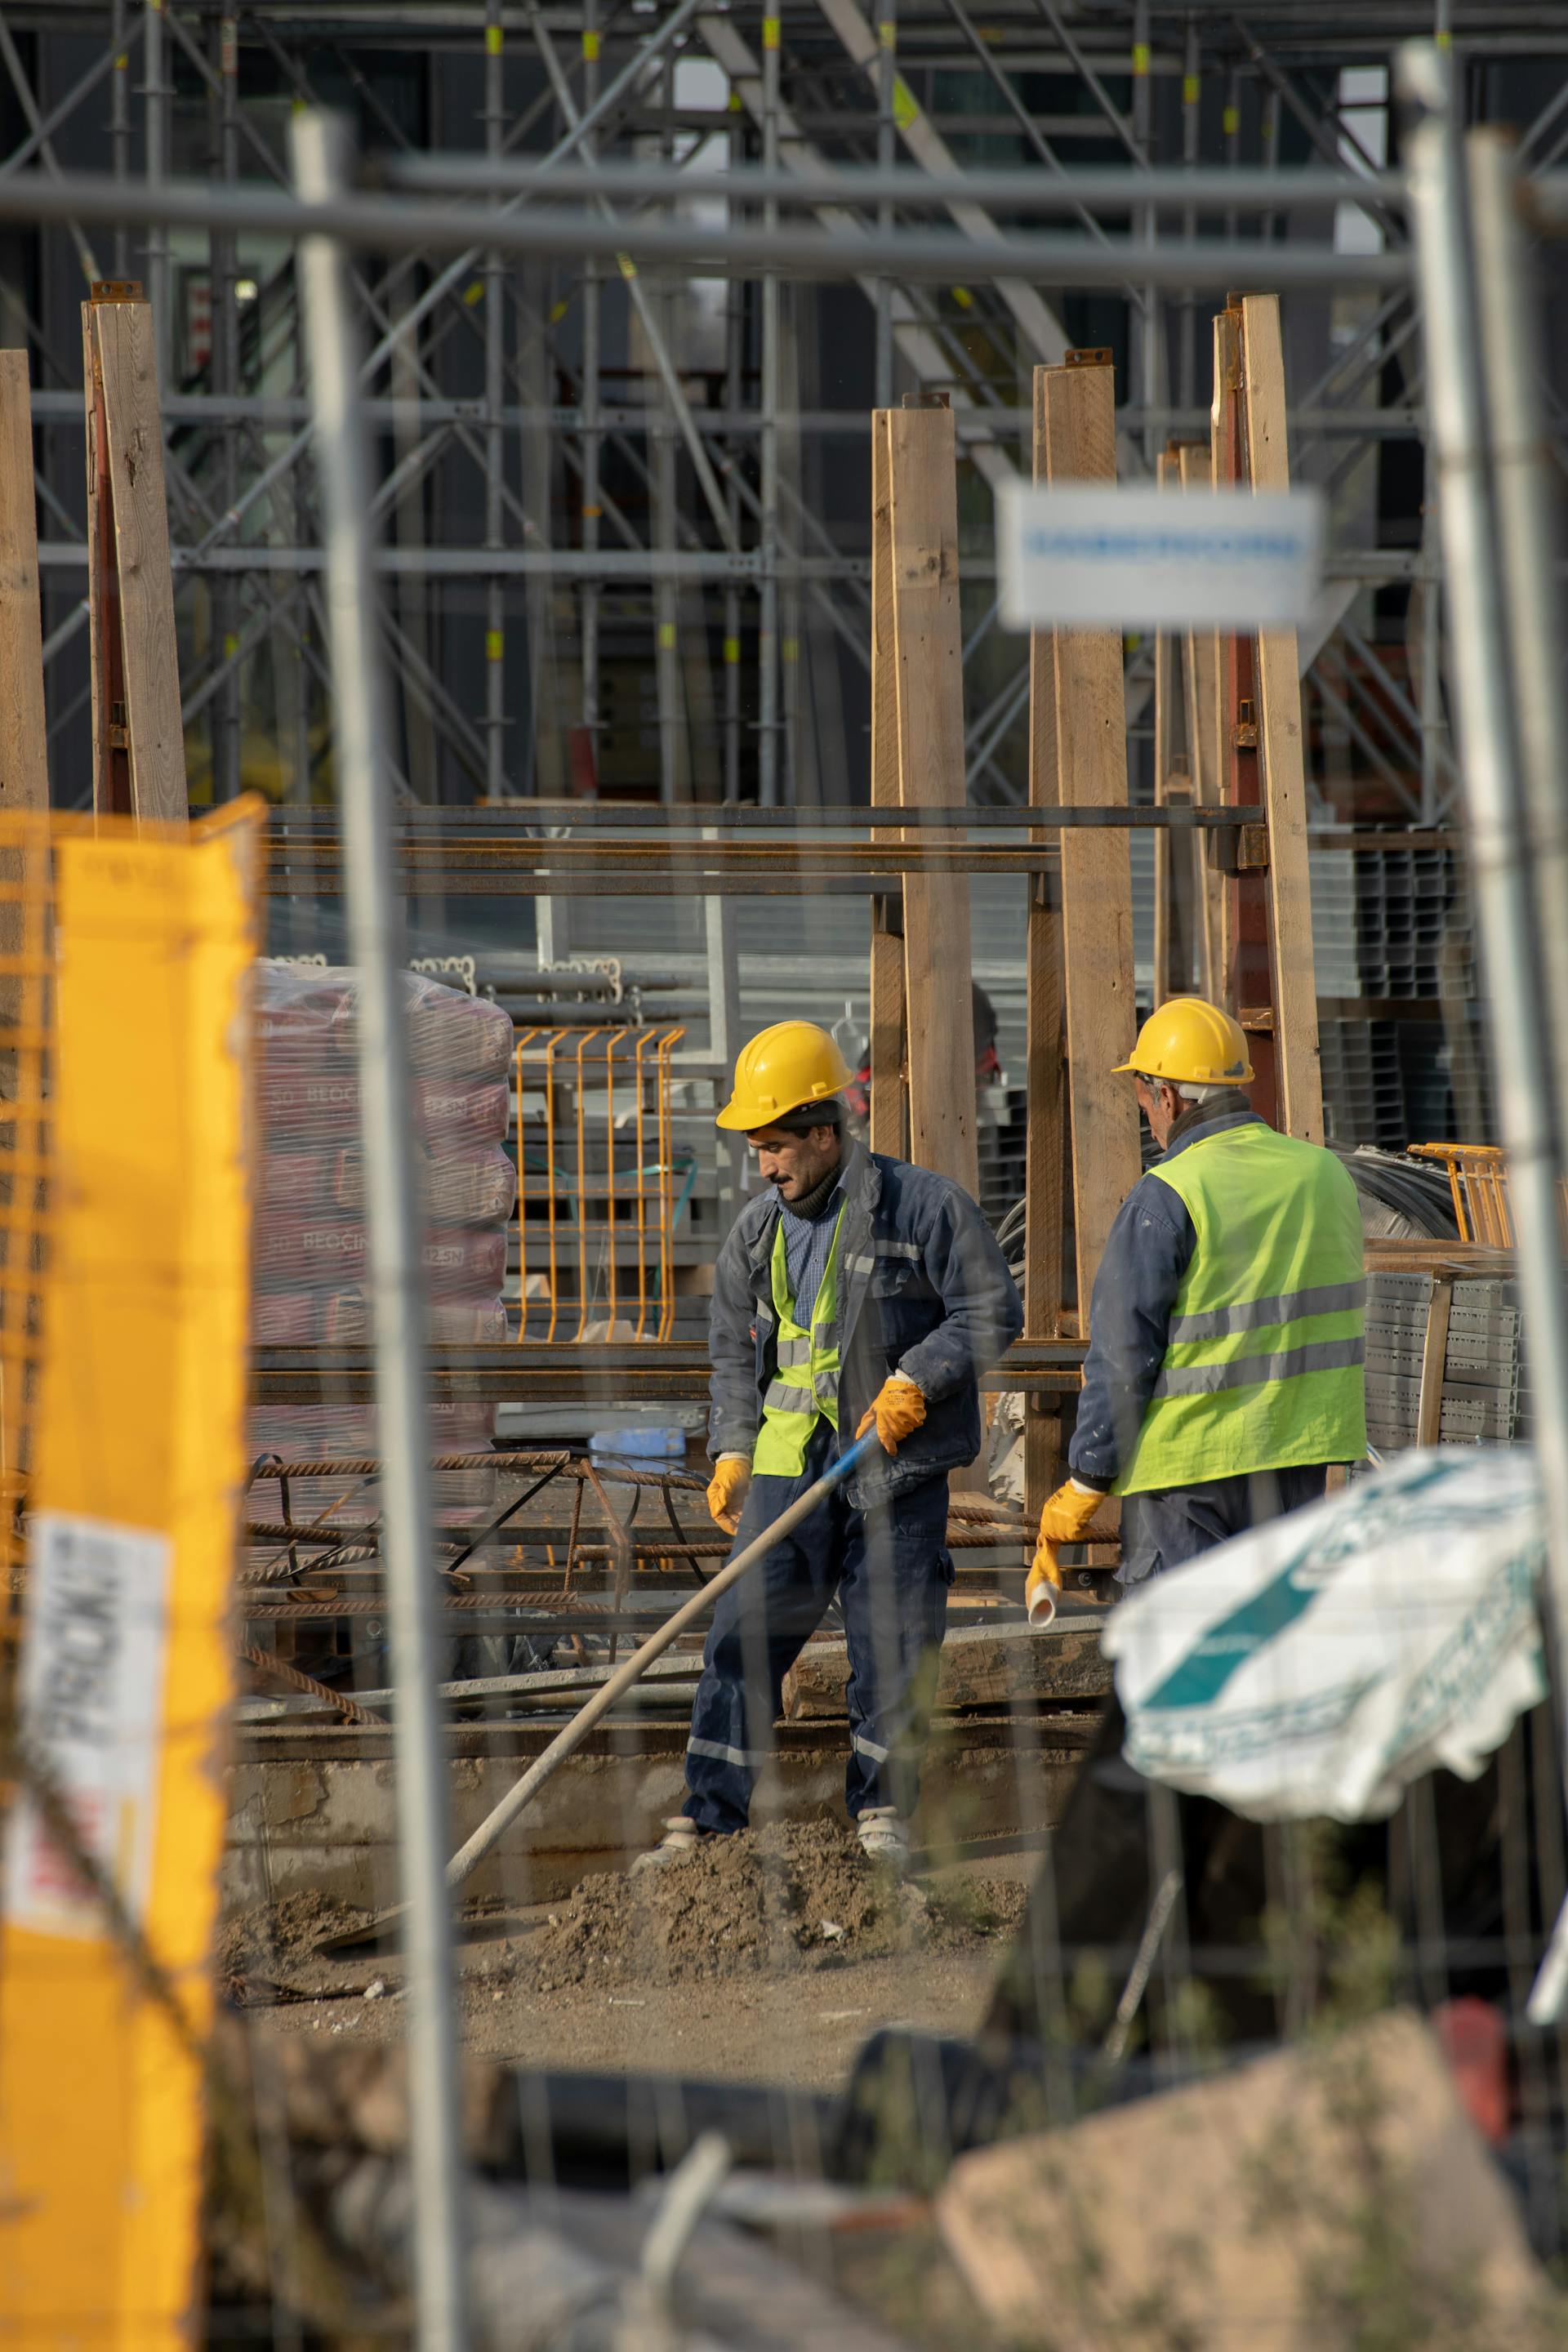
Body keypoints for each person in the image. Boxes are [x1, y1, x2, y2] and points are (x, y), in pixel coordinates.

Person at [637, 1018, 1023, 1873]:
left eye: (778, 1145)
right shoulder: (753, 1234)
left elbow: (992, 1309)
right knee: (740, 1633)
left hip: (891, 1467)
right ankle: (711, 1822)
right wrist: (734, 1449)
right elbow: (734, 1358)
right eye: (755, 1148)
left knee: (890, 1643)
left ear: (825, 1132)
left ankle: (885, 1814)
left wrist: (918, 1378)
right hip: (788, 1467)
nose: (766, 1165)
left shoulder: (923, 1207)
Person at [1027, 996, 1365, 1619]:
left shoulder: (1169, 1194)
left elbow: (1124, 1354)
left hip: (1188, 1478)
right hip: (1298, 1461)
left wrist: (1087, 1479)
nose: (1148, 1118)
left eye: (1143, 1098)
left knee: (1184, 1662)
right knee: (1276, 1650)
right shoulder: (1325, 1176)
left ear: (1171, 1098)